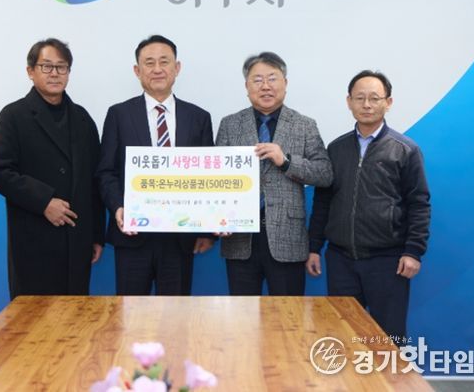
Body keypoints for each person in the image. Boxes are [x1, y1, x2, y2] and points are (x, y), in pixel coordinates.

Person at [307, 70, 431, 344]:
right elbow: (323, 201)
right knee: (342, 337)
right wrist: (314, 247)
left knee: (388, 340)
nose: (366, 105)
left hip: (388, 262)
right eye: (359, 98)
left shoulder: (405, 150)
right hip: (340, 260)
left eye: (374, 98)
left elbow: (419, 204)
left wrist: (413, 252)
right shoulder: (336, 149)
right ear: (348, 101)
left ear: (388, 102)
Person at [96, 34, 214, 295]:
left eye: (164, 61)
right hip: (132, 236)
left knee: (175, 313)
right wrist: (118, 207)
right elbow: (106, 171)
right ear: (137, 71)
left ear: (177, 68)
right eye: (149, 63)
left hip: (180, 240)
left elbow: (208, 177)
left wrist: (207, 230)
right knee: (129, 312)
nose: (157, 69)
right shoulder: (118, 114)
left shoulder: (199, 117)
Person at [0, 38, 104, 299]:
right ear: (30, 71)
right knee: (33, 317)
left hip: (77, 239)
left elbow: (94, 181)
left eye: (61, 67)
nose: (55, 73)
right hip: (33, 238)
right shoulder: (12, 116)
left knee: (75, 315)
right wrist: (44, 202)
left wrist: (96, 235)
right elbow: (0, 173)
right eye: (46, 66)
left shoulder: (83, 119)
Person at [215, 52, 332, 296]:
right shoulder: (230, 124)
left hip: (287, 238)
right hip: (239, 238)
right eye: (257, 80)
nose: (265, 86)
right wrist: (217, 216)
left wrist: (286, 161)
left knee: (288, 314)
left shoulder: (304, 125)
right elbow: (217, 179)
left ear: (285, 83)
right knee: (242, 314)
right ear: (247, 86)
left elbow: (324, 174)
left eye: (272, 78)